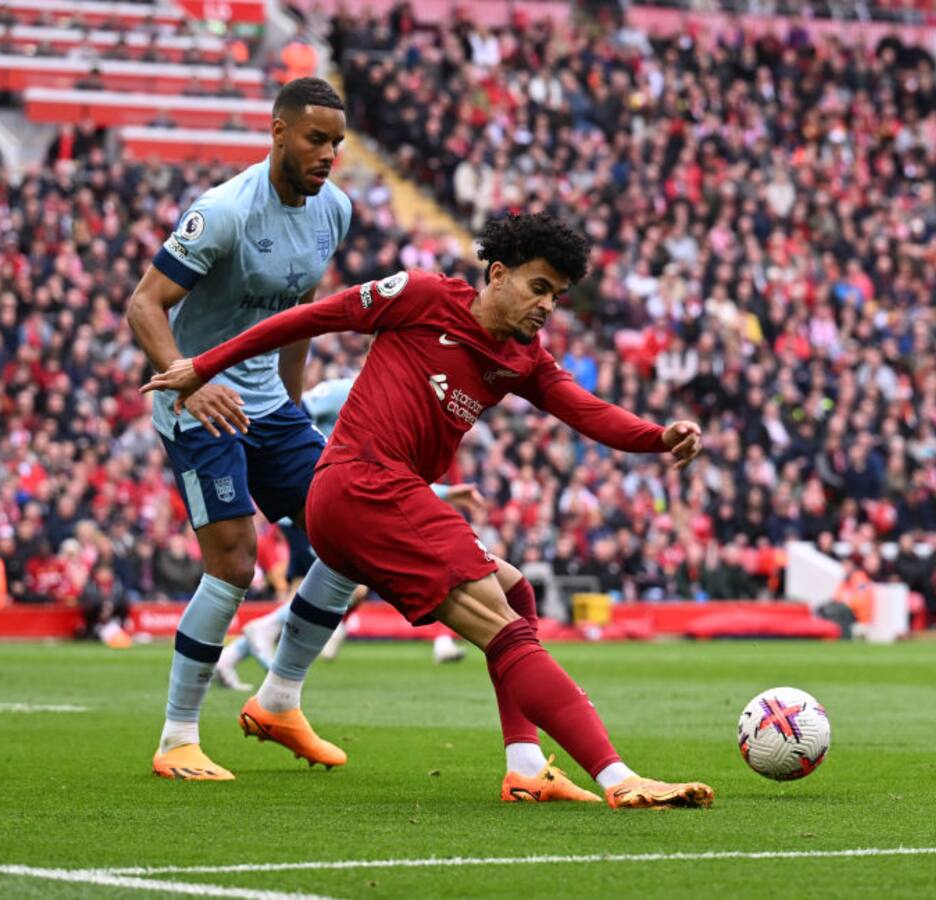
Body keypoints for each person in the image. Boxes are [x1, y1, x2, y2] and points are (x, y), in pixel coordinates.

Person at [144, 212, 714, 808]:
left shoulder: (523, 358)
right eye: (538, 288)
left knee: (515, 593)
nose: (547, 306)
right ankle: (619, 778)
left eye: (558, 296)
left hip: (380, 498)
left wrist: (657, 436)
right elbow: (309, 317)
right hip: (365, 486)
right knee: (504, 630)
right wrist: (203, 365)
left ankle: (524, 766)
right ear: (498, 274)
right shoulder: (420, 295)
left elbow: (585, 409)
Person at [126, 77, 360, 782]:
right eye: (316, 139)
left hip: (267, 405)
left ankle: (279, 700)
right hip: (195, 401)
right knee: (233, 562)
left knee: (348, 537)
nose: (327, 154)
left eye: (337, 143)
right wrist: (188, 379)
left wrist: (289, 406)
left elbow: (301, 312)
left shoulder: (334, 211)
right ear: (278, 131)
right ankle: (177, 739)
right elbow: (144, 305)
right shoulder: (223, 211)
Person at [212, 375, 476, 690]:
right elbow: (295, 411)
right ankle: (266, 637)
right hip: (315, 499)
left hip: (334, 501)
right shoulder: (346, 390)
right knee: (351, 582)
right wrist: (313, 460)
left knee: (331, 590)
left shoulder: (391, 402)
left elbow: (392, 475)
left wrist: (446, 493)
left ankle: (236, 655)